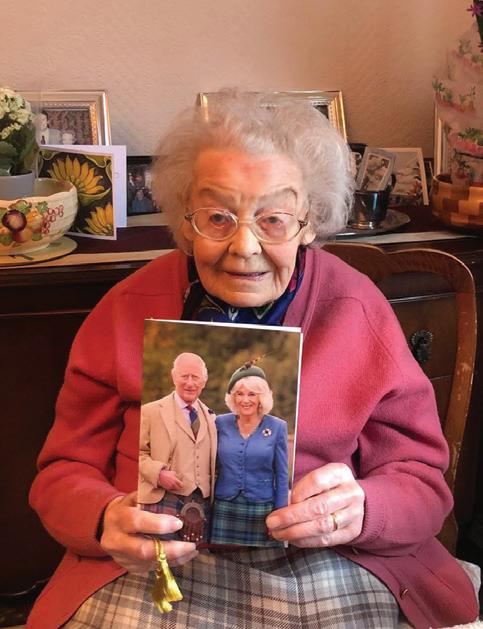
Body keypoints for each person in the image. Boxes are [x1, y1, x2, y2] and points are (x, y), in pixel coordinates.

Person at [27, 89, 478, 629]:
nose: (244, 246)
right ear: (185, 220)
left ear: (310, 222)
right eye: (218, 216)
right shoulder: (126, 307)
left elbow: (422, 483)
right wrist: (105, 519)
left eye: (274, 219)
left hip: (328, 557)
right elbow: (63, 472)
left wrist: (362, 509)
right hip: (155, 560)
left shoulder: (358, 309)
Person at [138, 352, 217, 543]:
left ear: (204, 382)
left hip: (202, 505)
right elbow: (137, 453)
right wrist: (158, 474)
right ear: (174, 377)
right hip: (162, 500)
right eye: (184, 376)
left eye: (195, 377)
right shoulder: (149, 411)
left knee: (195, 557)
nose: (190, 383)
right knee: (159, 556)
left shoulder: (212, 417)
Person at [211, 364, 288, 546]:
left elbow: (282, 475)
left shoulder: (277, 427)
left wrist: (280, 515)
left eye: (252, 394)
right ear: (233, 397)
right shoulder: (219, 423)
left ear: (262, 397)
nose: (245, 400)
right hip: (225, 505)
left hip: (262, 507)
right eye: (240, 394)